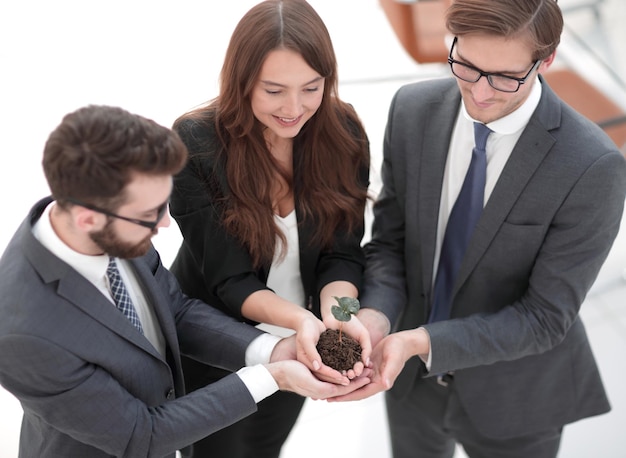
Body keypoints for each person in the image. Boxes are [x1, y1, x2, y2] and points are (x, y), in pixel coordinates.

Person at [332, 0, 626, 457]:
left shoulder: (593, 167)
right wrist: (377, 315)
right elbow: (391, 244)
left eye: (506, 77)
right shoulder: (413, 110)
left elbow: (545, 318)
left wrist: (423, 341)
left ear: (546, 60)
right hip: (409, 381)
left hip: (516, 399)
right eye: (465, 66)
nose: (481, 93)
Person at [0, 105, 369, 458]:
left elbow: (174, 310)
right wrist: (270, 377)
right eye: (149, 215)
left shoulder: (110, 222)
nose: (162, 225)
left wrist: (273, 350)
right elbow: (139, 435)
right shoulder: (22, 333)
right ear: (86, 219)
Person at [168, 0, 372, 456]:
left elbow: (342, 253)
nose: (294, 108)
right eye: (274, 90)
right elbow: (230, 279)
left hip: (302, 345)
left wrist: (339, 319)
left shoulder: (344, 132)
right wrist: (304, 324)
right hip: (217, 345)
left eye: (312, 88)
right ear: (242, 83)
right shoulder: (197, 142)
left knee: (266, 447)